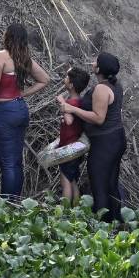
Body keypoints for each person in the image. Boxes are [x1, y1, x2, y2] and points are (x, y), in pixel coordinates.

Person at [0, 23, 49, 199]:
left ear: (7, 36)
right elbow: (45, 79)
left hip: (3, 112)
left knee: (7, 163)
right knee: (16, 162)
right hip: (20, 109)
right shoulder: (24, 58)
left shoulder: (0, 57)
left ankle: (5, 207)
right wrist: (22, 93)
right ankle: (14, 203)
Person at [59, 52, 126, 221]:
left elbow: (98, 118)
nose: (92, 62)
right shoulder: (115, 85)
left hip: (105, 143)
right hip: (116, 139)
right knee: (111, 183)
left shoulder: (102, 89)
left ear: (99, 68)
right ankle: (115, 221)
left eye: (96, 61)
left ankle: (102, 226)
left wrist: (72, 109)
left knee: (99, 186)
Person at [55, 66, 89, 206]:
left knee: (65, 181)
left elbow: (69, 120)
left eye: (67, 77)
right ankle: (76, 210)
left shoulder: (71, 103)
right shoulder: (80, 102)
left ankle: (64, 213)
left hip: (69, 150)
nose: (65, 78)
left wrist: (62, 102)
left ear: (71, 84)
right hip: (76, 148)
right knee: (73, 179)